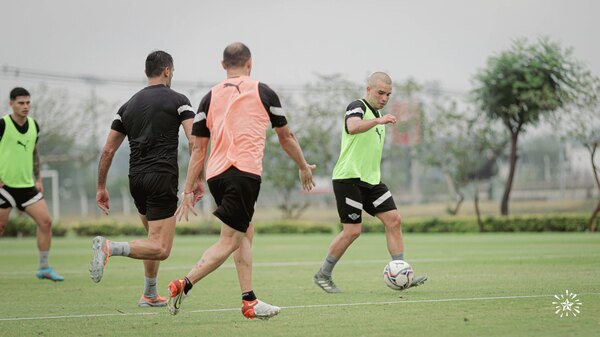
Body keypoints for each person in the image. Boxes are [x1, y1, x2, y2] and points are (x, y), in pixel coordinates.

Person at [168, 42, 315, 320]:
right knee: (230, 240)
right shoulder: (263, 91)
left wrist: (189, 187)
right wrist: (303, 166)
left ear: (223, 65)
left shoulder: (208, 97)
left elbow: (198, 148)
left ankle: (249, 300)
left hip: (216, 175)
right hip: (244, 173)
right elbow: (286, 137)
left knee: (244, 232)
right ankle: (183, 285)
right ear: (250, 63)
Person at [90, 50, 197, 308]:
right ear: (167, 71)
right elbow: (195, 140)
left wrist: (101, 187)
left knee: (152, 239)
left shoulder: (127, 106)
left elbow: (107, 151)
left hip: (135, 179)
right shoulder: (179, 100)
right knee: (162, 248)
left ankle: (150, 293)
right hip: (161, 177)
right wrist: (196, 180)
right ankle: (110, 247)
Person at [313, 72, 427, 293]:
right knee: (353, 231)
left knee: (394, 220)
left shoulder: (379, 116)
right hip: (348, 178)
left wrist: (380, 119)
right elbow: (352, 126)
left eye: (388, 94)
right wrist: (379, 120)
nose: (384, 98)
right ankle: (323, 274)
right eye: (380, 92)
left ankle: (402, 273)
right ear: (369, 89)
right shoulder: (358, 106)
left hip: (371, 181)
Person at [0, 87, 64, 281]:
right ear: (11, 104)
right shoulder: (2, 124)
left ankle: (44, 268)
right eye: (20, 103)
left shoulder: (34, 125)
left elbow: (34, 153)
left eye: (28, 102)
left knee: (46, 222)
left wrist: (38, 178)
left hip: (27, 186)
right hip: (5, 187)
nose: (25, 106)